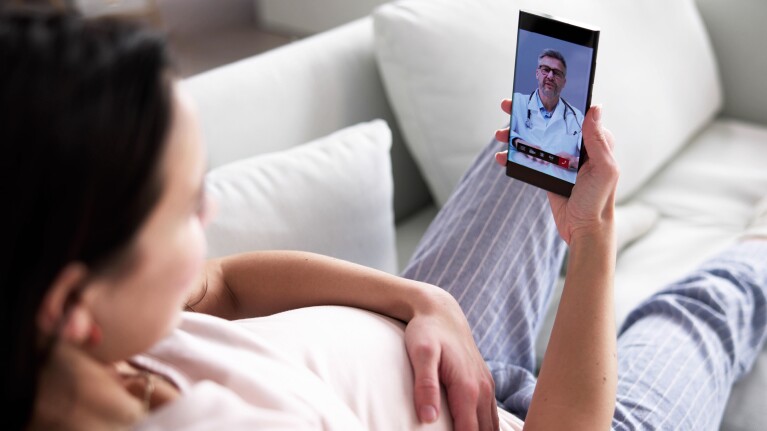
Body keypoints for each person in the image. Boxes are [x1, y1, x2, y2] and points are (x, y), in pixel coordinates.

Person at [3, 7, 766, 431]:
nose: (214, 208)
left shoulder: (99, 334)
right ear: (72, 306)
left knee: (525, 158)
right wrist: (591, 239)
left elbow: (225, 284)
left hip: (432, 343)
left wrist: (418, 301)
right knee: (707, 307)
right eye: (182, 207)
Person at [509, 49, 584, 184]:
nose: (550, 76)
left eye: (557, 73)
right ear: (537, 73)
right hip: (519, 179)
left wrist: (575, 161)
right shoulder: (518, 102)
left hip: (555, 187)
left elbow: (588, 157)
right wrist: (519, 142)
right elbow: (506, 135)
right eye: (545, 69)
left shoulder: (578, 118)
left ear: (563, 82)